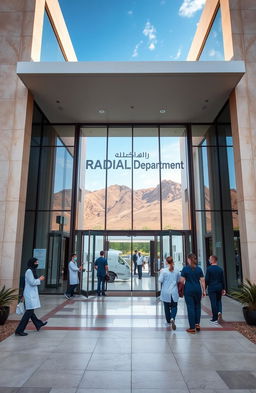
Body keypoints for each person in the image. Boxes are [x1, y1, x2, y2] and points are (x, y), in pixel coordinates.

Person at [15, 258, 47, 336]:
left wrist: (38, 279)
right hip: (29, 294)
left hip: (31, 294)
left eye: (37, 262)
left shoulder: (32, 271)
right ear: (32, 263)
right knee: (29, 312)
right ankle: (19, 330)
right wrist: (40, 279)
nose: (37, 263)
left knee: (30, 312)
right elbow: (32, 282)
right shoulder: (29, 271)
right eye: (36, 262)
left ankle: (38, 324)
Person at [180, 253, 206, 334]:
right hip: (198, 290)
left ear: (189, 259)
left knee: (190, 307)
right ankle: (197, 324)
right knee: (197, 306)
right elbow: (202, 280)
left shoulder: (185, 269)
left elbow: (181, 281)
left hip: (188, 290)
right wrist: (204, 290)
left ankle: (192, 327)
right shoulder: (199, 269)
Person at [159, 256, 180, 330]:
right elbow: (178, 280)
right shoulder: (177, 270)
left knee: (166, 307)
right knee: (174, 306)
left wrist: (161, 272)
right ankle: (172, 318)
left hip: (166, 292)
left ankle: (168, 321)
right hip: (174, 291)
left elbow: (160, 280)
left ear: (166, 262)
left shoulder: (164, 271)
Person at [205, 255, 226, 325]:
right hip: (219, 287)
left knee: (213, 302)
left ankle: (215, 318)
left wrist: (204, 288)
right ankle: (219, 312)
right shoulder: (220, 269)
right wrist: (223, 288)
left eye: (210, 259)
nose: (209, 260)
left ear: (213, 260)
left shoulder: (209, 269)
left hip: (212, 288)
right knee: (219, 301)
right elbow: (222, 280)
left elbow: (207, 280)